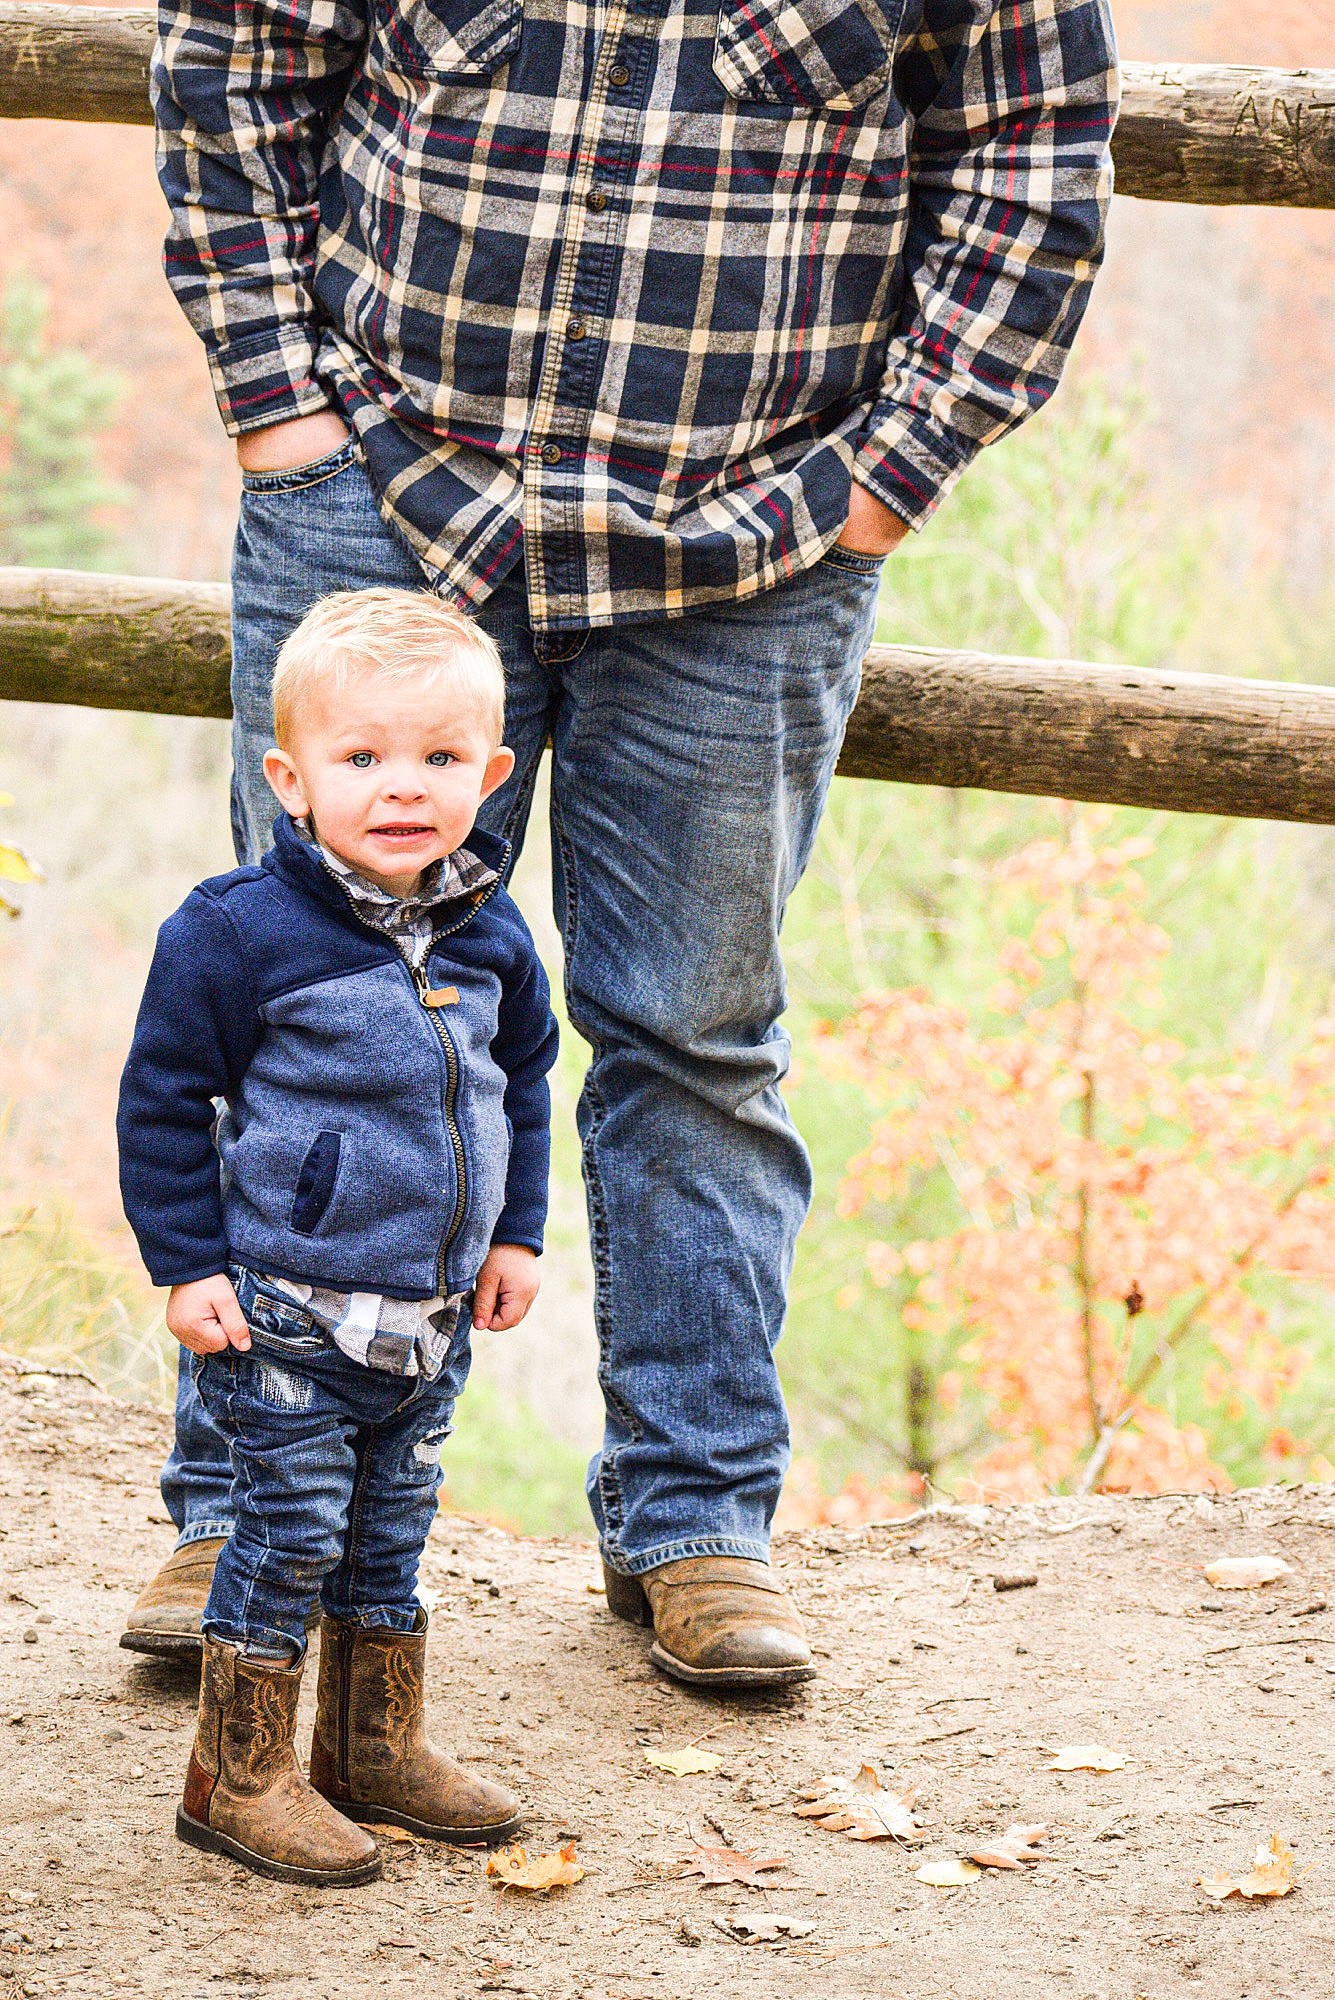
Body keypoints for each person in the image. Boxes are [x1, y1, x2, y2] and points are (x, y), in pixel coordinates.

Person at [123, 0, 1119, 1685]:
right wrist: (279, 409)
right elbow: (236, 54)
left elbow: (1031, 160)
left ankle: (696, 1529)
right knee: (294, 1001)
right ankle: (239, 1508)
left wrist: (884, 478)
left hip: (762, 526)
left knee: (696, 1036)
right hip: (385, 482)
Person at [118, 590, 559, 1883]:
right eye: (361, 758)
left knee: (390, 1534)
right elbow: (163, 1099)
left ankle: (370, 1749)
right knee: (290, 1529)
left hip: (425, 1321)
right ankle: (235, 1776)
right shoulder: (236, 932)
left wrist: (514, 1234)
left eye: (436, 760)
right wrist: (187, 1265)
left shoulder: (490, 933)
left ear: (489, 773)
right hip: (285, 1309)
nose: (402, 788)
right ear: (291, 778)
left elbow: (520, 1085)